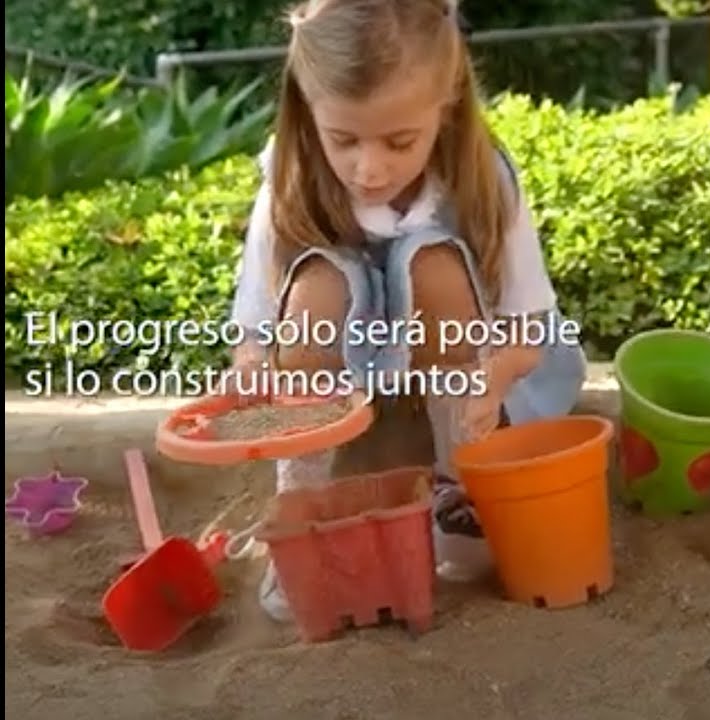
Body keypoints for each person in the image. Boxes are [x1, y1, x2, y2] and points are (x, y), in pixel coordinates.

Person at [224, 0, 587, 622]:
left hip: (461, 364)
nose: (370, 170)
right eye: (343, 140)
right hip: (352, 366)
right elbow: (257, 329)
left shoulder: (483, 178)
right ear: (308, 111)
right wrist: (254, 368)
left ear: (443, 107)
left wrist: (492, 380)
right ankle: (300, 506)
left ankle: (459, 488)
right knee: (318, 284)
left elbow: (526, 327)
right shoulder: (290, 175)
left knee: (431, 263)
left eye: (400, 142)